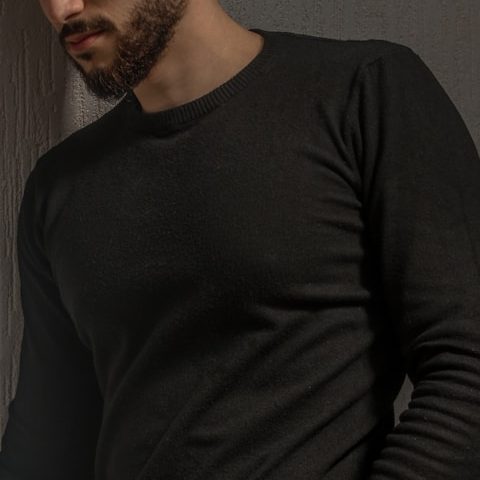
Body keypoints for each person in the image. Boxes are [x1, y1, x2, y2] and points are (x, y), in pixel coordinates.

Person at [1, 0, 479, 479]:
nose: (61, 8)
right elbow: (46, 442)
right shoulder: (59, 187)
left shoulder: (361, 91)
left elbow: (466, 368)